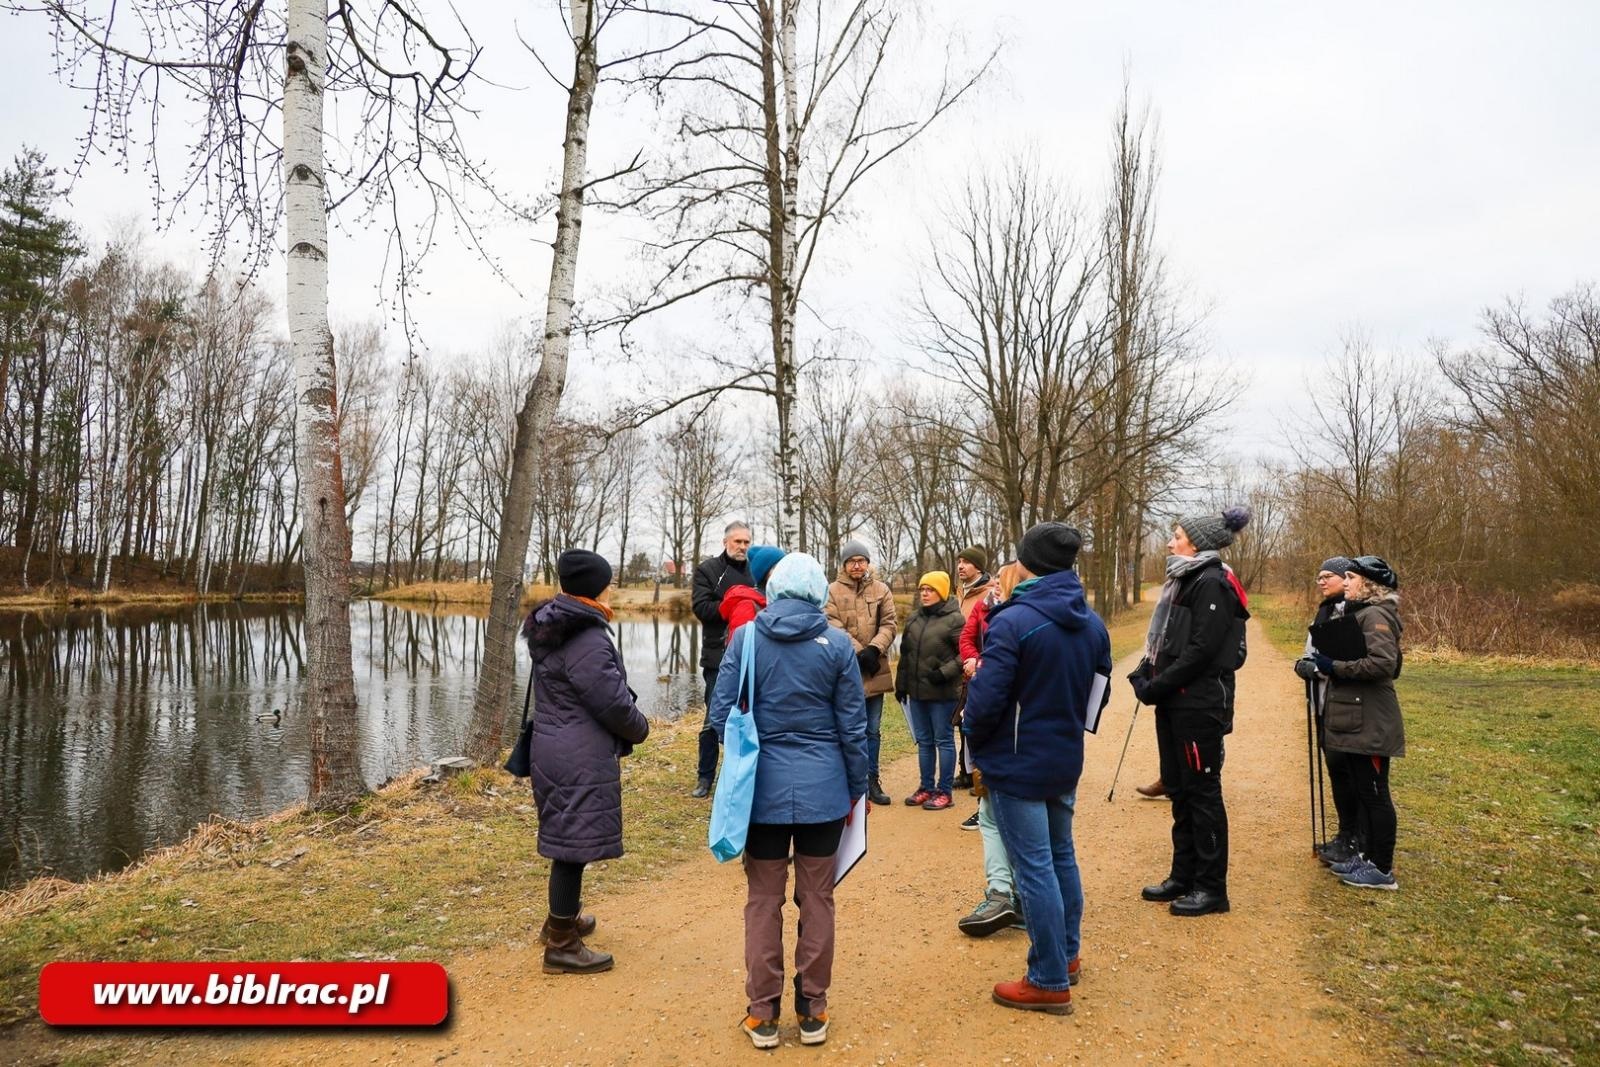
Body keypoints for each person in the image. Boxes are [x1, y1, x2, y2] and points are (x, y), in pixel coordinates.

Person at [709, 552, 868, 1048]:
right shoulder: (839, 644)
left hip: (761, 792)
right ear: (819, 591)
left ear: (773, 590)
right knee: (818, 898)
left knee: (762, 901)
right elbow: (853, 726)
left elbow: (720, 714)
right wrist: (856, 787)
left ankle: (763, 1014)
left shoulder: (747, 637)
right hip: (825, 791)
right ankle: (813, 1010)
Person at [965, 523, 1111, 1014]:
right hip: (1063, 758)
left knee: (1034, 867)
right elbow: (1099, 693)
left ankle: (1048, 978)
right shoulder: (1091, 622)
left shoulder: (1013, 621)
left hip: (1018, 763)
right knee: (1060, 855)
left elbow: (985, 700)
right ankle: (1065, 956)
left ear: (1028, 564)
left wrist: (978, 743)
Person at [521, 549, 651, 974]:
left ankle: (562, 918)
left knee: (567, 836)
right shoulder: (585, 636)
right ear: (598, 586)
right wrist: (640, 727)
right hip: (576, 753)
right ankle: (561, 942)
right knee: (571, 846)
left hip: (554, 745)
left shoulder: (554, 623)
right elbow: (610, 701)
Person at [1128, 507, 1251, 918]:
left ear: (1195, 543)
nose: (1169, 541)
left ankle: (1212, 888)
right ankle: (1183, 875)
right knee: (1179, 790)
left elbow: (1202, 650)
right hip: (1174, 701)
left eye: (1176, 535)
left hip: (1198, 705)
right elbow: (1168, 641)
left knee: (1202, 794)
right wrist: (1146, 671)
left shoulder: (1213, 583)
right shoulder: (1185, 579)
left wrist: (1157, 685)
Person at [1318, 556, 1406, 890]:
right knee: (1365, 791)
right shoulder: (1364, 614)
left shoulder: (1376, 615)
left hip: (1372, 721)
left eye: (1352, 578)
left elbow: (1384, 665)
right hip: (1360, 718)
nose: (1347, 583)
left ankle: (1381, 869)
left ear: (1368, 584)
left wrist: (1334, 666)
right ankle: (1367, 857)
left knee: (1374, 795)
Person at [956, 561, 1027, 936]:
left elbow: (997, 686)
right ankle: (1011, 893)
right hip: (1032, 737)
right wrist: (971, 658)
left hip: (1008, 735)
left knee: (1001, 815)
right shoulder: (989, 608)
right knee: (993, 811)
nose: (995, 583)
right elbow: (966, 636)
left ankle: (1007, 894)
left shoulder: (1008, 621)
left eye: (1001, 578)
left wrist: (974, 720)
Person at [1292, 557, 1361, 864]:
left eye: (1327, 576)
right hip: (1323, 702)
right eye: (1318, 577)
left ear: (1345, 579)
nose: (1320, 581)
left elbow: (1346, 658)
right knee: (1335, 771)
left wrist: (1318, 669)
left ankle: (1357, 837)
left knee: (1349, 773)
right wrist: (1303, 665)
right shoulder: (1324, 610)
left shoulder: (1356, 610)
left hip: (1346, 705)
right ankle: (1345, 834)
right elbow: (1314, 652)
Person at [823, 539, 897, 806]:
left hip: (874, 668)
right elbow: (830, 623)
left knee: (873, 729)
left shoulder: (882, 589)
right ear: (844, 564)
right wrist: (857, 651)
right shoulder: (830, 591)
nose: (857, 565)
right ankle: (846, 780)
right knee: (845, 726)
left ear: (867, 563)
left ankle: (871, 779)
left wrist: (874, 649)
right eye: (852, 560)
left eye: (861, 560)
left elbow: (890, 623)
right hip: (845, 669)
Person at [690, 522, 754, 797]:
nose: (742, 547)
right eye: (737, 541)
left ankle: (740, 774)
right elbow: (701, 607)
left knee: (749, 715)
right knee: (712, 718)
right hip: (718, 656)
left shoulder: (756, 570)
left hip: (753, 653)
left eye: (746, 542)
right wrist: (733, 604)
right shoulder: (708, 570)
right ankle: (705, 777)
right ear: (725, 542)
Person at [895, 570, 965, 810]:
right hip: (917, 694)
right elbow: (905, 656)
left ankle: (945, 791)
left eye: (930, 590)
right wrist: (901, 685)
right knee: (924, 742)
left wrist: (943, 673)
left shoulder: (955, 619)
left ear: (942, 592)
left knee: (943, 740)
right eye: (922, 589)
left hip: (943, 693)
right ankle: (926, 787)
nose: (925, 593)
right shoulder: (914, 618)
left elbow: (964, 654)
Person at [952, 547, 995, 790]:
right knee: (960, 720)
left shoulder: (986, 595)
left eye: (966, 562)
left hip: (979, 669)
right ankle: (965, 770)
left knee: (973, 720)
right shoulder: (961, 593)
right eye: (959, 562)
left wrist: (975, 661)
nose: (960, 566)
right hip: (960, 667)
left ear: (978, 567)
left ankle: (977, 773)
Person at [721, 545, 787, 641]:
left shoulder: (779, 600)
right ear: (765, 574)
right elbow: (740, 649)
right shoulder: (746, 606)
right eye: (778, 567)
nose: (784, 571)